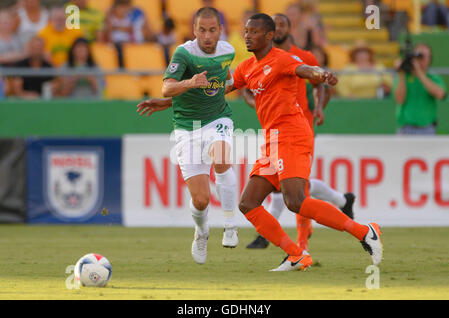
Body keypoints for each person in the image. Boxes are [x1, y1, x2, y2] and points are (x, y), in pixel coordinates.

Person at [227, 14, 382, 271]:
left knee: (296, 200)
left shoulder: (283, 58)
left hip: (292, 134)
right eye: (246, 31)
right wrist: (178, 95)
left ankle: (364, 231)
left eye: (253, 31)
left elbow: (306, 70)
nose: (247, 35)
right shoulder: (247, 67)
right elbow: (221, 89)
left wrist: (321, 75)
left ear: (268, 36)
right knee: (248, 203)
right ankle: (297, 254)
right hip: (272, 139)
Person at [243, 14, 355, 251]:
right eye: (277, 24)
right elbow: (245, 86)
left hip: (298, 129)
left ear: (278, 31)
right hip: (273, 133)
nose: (280, 27)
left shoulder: (300, 57)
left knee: (296, 192)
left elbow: (316, 81)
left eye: (283, 24)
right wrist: (259, 102)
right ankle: (341, 200)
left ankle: (300, 245)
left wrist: (320, 108)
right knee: (291, 189)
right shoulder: (257, 61)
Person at [136, 7, 239, 264]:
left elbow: (222, 84)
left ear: (220, 31)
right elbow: (168, 86)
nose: (207, 36)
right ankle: (202, 231)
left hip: (218, 119)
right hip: (187, 128)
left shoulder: (228, 52)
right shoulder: (184, 53)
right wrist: (188, 85)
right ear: (194, 31)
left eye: (212, 30)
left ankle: (230, 224)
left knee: (222, 157)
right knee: (201, 200)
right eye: (202, 30)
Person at [394, 43, 447, 134]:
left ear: (430, 59)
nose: (421, 60)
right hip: (406, 129)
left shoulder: (433, 77)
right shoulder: (403, 77)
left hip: (427, 129)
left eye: (423, 56)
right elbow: (399, 99)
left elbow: (440, 94)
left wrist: (419, 73)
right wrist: (401, 73)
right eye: (418, 55)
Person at [105, 0, 154, 67]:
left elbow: (130, 29)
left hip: (128, 42)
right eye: (120, 7)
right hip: (117, 43)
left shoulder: (129, 17)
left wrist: (116, 27)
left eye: (124, 7)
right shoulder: (111, 17)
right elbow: (109, 31)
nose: (122, 10)